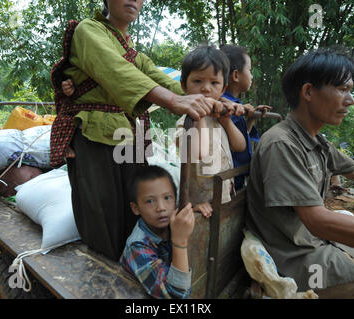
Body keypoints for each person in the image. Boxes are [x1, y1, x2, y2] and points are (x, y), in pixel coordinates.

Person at [50, 0, 219, 261]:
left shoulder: (135, 54)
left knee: (140, 208)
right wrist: (174, 102)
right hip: (94, 136)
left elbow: (166, 81)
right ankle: (105, 272)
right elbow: (117, 71)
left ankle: (140, 263)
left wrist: (219, 104)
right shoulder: (88, 31)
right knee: (103, 214)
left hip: (129, 137)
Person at [245, 48, 354, 299]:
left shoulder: (315, 140)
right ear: (309, 92)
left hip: (323, 245)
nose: (351, 99)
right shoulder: (282, 144)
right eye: (343, 89)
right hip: (303, 262)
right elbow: (318, 221)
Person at [175, 45, 246, 208]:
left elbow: (239, 146)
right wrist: (198, 113)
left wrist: (227, 122)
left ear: (223, 89)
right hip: (200, 204)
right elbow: (200, 152)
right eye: (198, 81)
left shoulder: (218, 118)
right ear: (184, 85)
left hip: (224, 196)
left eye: (214, 83)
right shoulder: (186, 121)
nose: (206, 88)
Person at [120, 165, 198, 299]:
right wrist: (180, 242)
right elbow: (176, 296)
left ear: (176, 199)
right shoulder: (137, 246)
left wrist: (196, 210)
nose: (161, 208)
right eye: (150, 201)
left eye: (167, 198)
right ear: (136, 208)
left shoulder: (170, 220)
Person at [220, 45, 271, 190]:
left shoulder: (237, 105)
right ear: (236, 75)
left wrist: (251, 118)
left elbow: (238, 135)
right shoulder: (222, 106)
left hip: (237, 177)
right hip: (227, 180)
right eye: (249, 70)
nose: (252, 76)